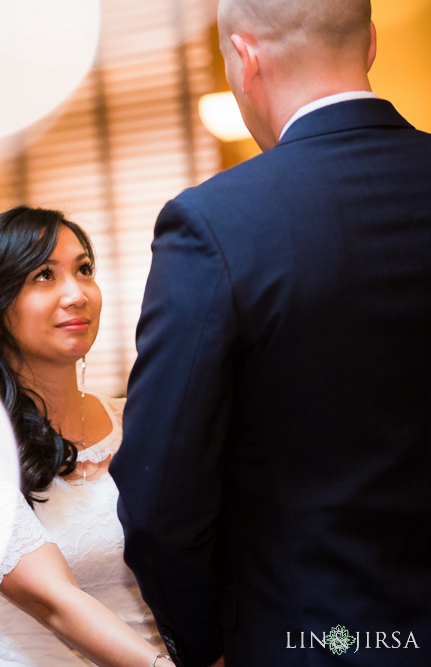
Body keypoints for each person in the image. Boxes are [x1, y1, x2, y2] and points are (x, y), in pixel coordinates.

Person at [109, 1, 431, 666]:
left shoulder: (215, 223)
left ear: (245, 58)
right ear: (369, 43)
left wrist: (204, 644)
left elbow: (160, 499)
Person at [0, 205, 171, 667]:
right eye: (44, 276)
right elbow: (53, 601)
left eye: (84, 270)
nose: (76, 293)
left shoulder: (138, 418)